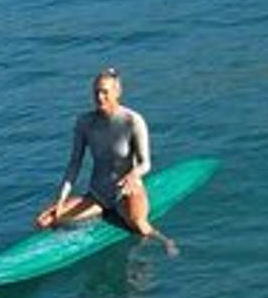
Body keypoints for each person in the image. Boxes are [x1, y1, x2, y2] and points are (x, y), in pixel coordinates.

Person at [35, 67, 176, 254]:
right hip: (98, 194)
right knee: (45, 219)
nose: (99, 97)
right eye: (96, 92)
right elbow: (74, 163)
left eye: (105, 92)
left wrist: (133, 175)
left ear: (117, 93)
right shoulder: (84, 123)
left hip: (125, 193)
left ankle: (166, 242)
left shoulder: (132, 121)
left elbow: (145, 163)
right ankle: (55, 249)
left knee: (139, 226)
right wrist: (60, 200)